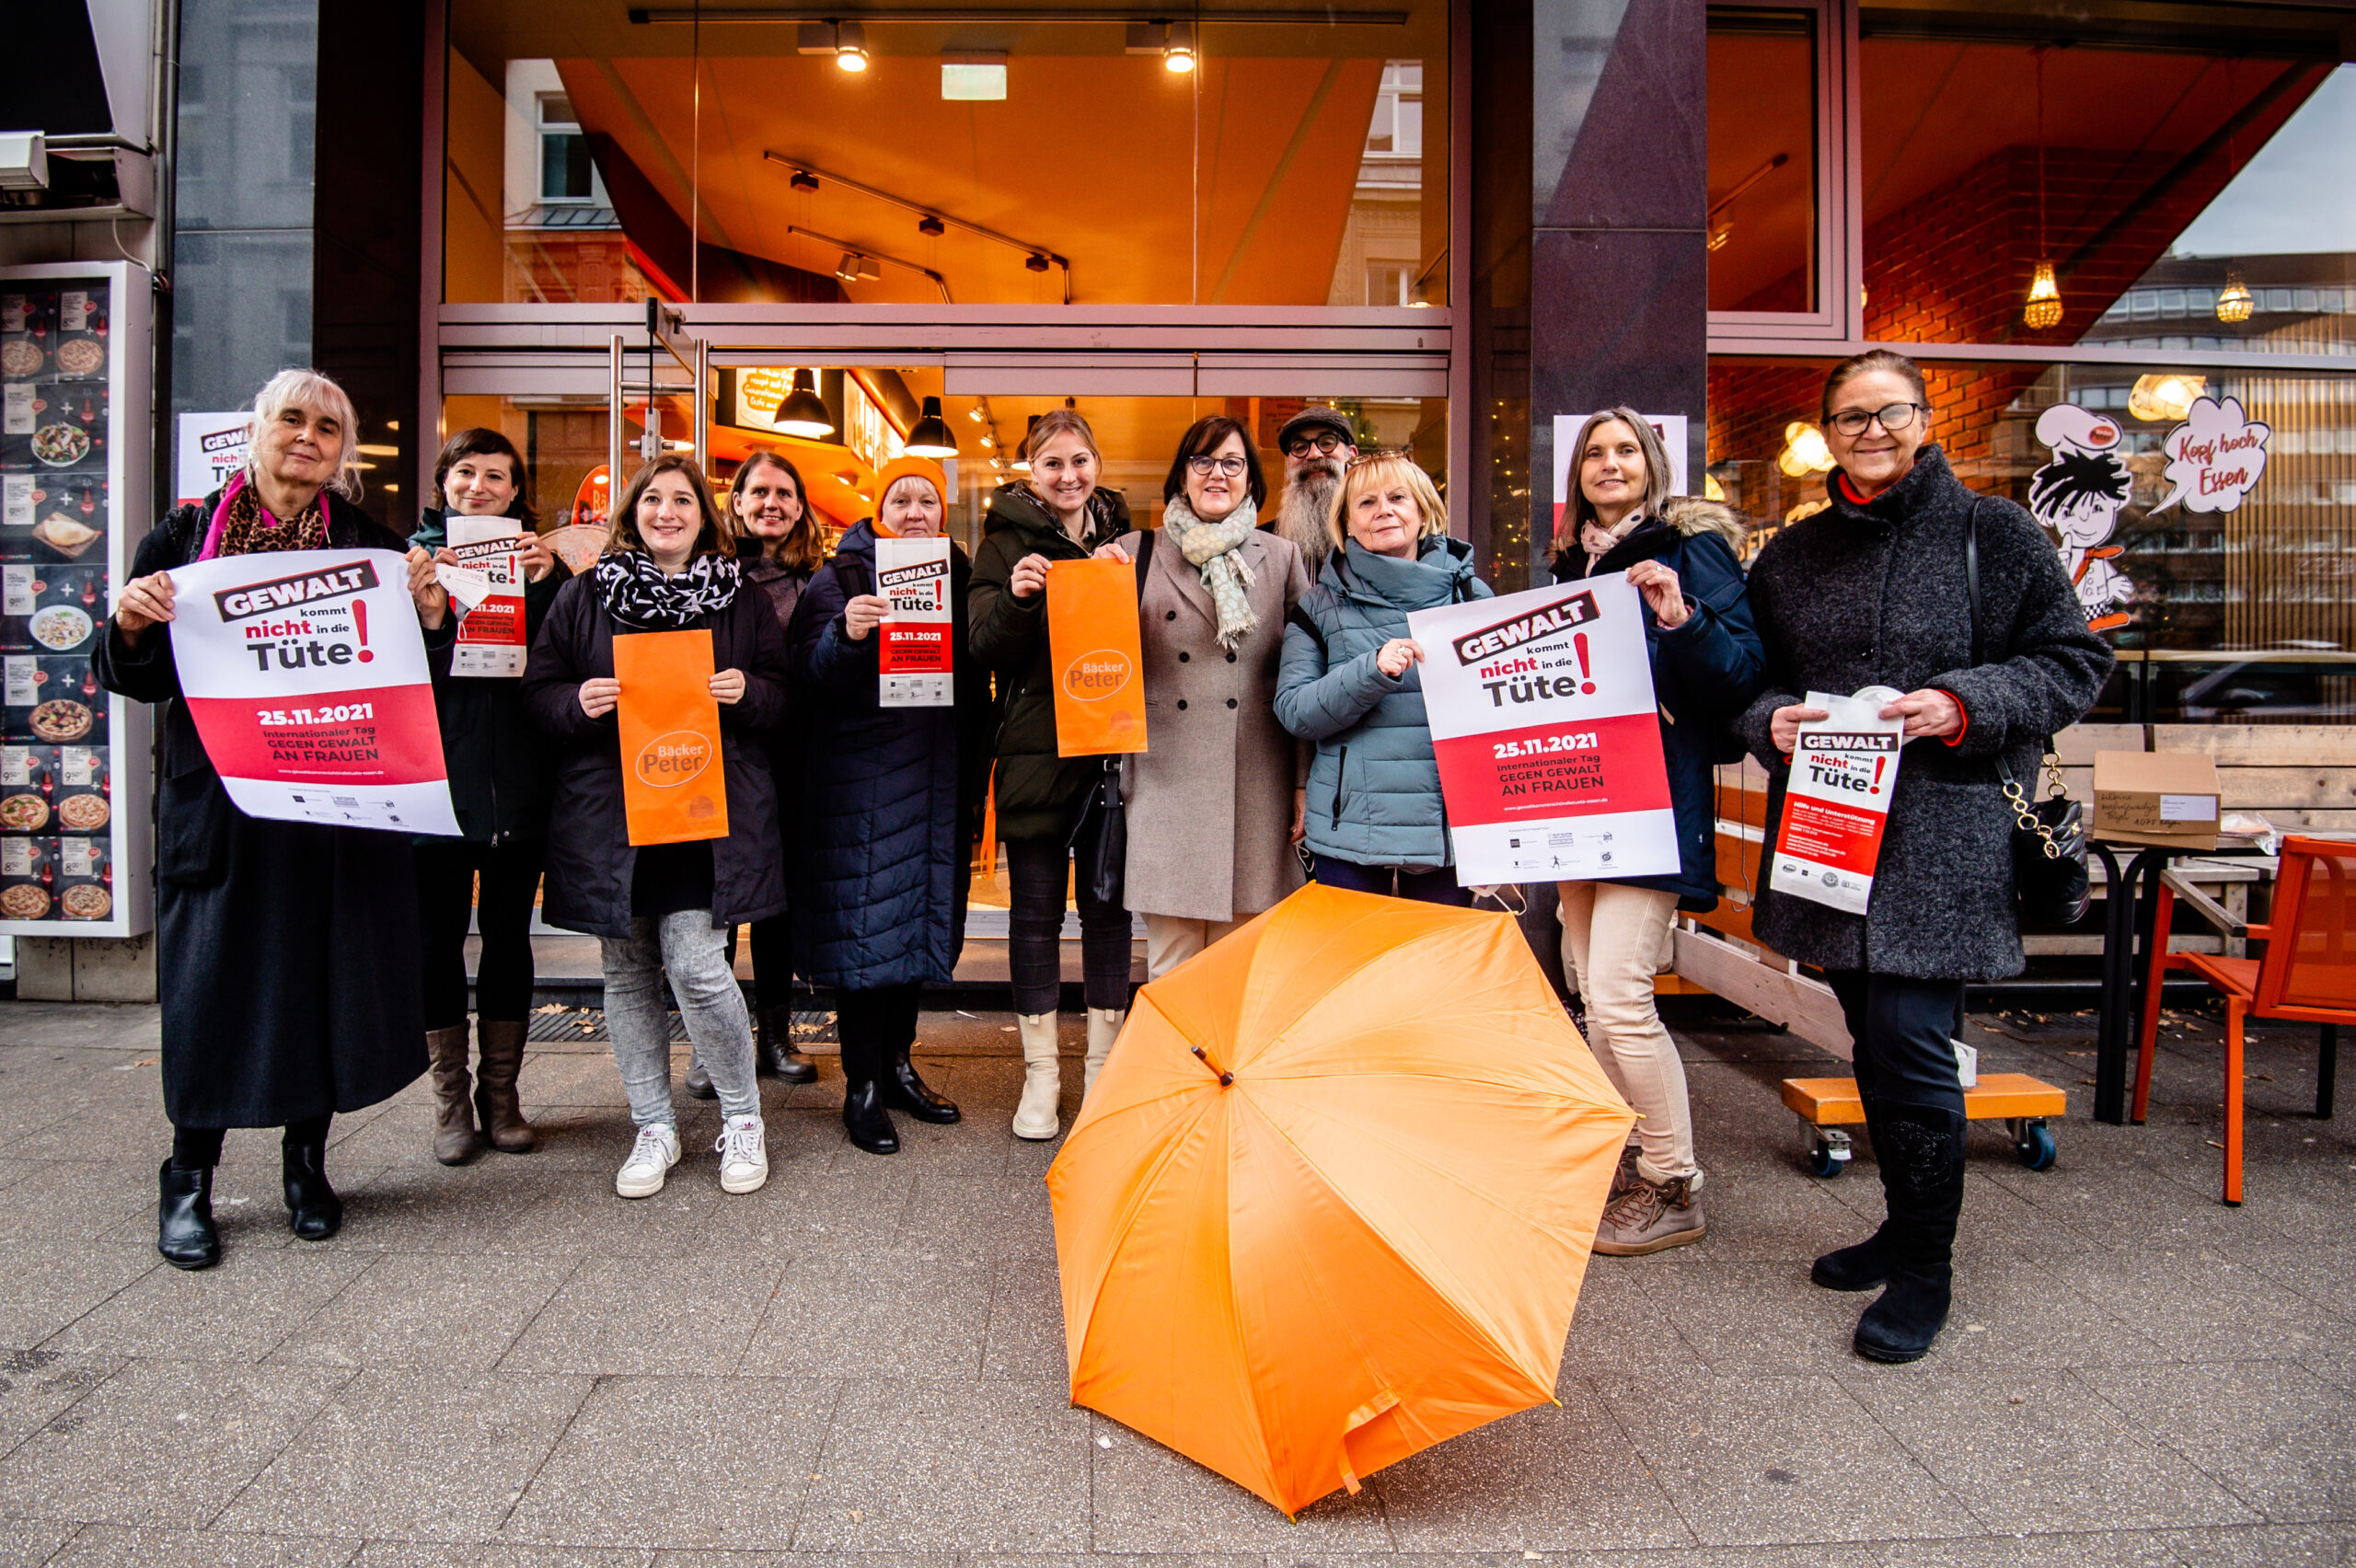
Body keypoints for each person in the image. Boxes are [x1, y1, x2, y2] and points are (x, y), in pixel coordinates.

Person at [1732, 350, 2111, 1363]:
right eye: (1849, 416)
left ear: (1923, 418)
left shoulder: (1996, 533)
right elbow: (1751, 680)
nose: (1870, 430)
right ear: (1826, 432)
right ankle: (1902, 1224)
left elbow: (2075, 661)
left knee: (1908, 1045)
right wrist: (1770, 719)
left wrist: (1961, 704)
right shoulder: (1791, 557)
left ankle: (1926, 1269)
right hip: (1828, 838)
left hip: (1943, 839)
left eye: (1887, 411)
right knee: (1869, 1037)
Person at [95, 369, 453, 1269]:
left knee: (321, 989)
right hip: (220, 813)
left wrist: (432, 615)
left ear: (342, 451)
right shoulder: (183, 539)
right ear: (255, 431)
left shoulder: (370, 546)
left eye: (327, 427)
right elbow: (130, 674)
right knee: (210, 992)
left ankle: (305, 1169)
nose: (307, 437)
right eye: (291, 420)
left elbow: (422, 673)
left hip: (332, 811)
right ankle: (190, 1179)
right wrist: (133, 625)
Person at [522, 455, 789, 1200]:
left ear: (705, 515)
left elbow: (785, 699)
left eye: (682, 500)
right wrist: (577, 702)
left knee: (698, 967)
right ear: (631, 514)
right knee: (629, 971)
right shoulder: (583, 597)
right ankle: (653, 1125)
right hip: (613, 821)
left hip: (708, 817)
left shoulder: (740, 601)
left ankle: (742, 1118)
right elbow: (538, 696)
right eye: (652, 500)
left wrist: (750, 692)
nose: (666, 512)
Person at [1551, 407, 1764, 1257]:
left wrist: (1682, 618)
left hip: (1650, 801)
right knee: (1586, 985)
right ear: (1578, 474)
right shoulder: (1571, 563)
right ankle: (1634, 1157)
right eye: (1595, 453)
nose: (1610, 463)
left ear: (1652, 464)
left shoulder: (1691, 549)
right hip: (1577, 802)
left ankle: (1675, 1180)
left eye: (1625, 450)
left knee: (1618, 994)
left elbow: (1744, 671)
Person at [791, 456, 993, 1155]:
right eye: (900, 499)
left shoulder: (959, 575)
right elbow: (809, 682)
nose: (914, 513)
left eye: (926, 501)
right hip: (861, 789)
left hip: (937, 782)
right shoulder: (842, 577)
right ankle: (863, 1086)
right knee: (864, 942)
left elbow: (981, 674)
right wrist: (845, 635)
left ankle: (901, 1066)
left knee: (916, 936)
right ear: (879, 510)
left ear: (942, 515)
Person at [969, 409, 1135, 1140]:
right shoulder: (1001, 546)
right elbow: (982, 648)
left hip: (1112, 753)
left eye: (1080, 461)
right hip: (1036, 754)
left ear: (1097, 463)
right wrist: (1018, 597)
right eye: (1052, 464)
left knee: (1107, 914)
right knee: (1033, 917)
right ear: (1029, 471)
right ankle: (1041, 1076)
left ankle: (1103, 1066)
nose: (1068, 476)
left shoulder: (1129, 542)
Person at [1100, 415, 1312, 979]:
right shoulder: (1132, 552)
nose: (1217, 474)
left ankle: (1228, 1072)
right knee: (1171, 967)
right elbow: (1098, 659)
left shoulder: (1283, 557)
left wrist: (1301, 783)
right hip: (1165, 780)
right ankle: (1173, 1071)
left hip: (1257, 782)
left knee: (1240, 968)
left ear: (1251, 479)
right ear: (1182, 475)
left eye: (1232, 463)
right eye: (1203, 461)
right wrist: (1096, 587)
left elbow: (1302, 679)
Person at [410, 428, 568, 1165]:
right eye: (466, 473)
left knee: (508, 940)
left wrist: (550, 585)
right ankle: (450, 1102)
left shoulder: (537, 566)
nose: (479, 487)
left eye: (496, 478)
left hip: (521, 787)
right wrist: (433, 617)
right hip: (438, 790)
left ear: (515, 493)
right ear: (444, 481)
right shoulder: (408, 565)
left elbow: (557, 666)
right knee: (436, 942)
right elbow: (402, 686)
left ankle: (501, 1098)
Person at [1274, 451, 1489, 905]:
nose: (1384, 510)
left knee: (1434, 972)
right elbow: (1295, 711)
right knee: (1351, 971)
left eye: (1398, 498)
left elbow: (1503, 712)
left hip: (1448, 830)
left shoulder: (1471, 596)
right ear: (1347, 524)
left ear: (1424, 510)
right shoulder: (1319, 605)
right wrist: (1370, 671)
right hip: (1350, 830)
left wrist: (1502, 836)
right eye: (1367, 503)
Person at [680, 450, 822, 1091]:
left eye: (784, 493)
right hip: (725, 755)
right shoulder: (707, 576)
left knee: (776, 904)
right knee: (715, 905)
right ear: (734, 502)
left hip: (795, 760)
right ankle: (710, 1044)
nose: (771, 503)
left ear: (800, 506)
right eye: (758, 492)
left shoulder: (820, 577)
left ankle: (776, 1033)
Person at [1268, 406, 1357, 575]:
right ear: (1288, 464)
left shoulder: (1376, 531)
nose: (1314, 454)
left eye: (1327, 443)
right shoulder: (1266, 542)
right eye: (1300, 447)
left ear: (1351, 455)